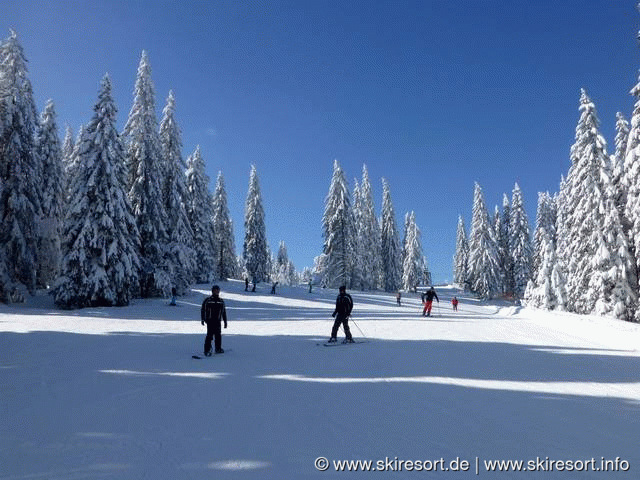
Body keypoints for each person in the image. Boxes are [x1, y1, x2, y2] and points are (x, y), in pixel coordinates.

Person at [201, 285, 228, 355]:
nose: (216, 292)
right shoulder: (208, 300)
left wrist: (225, 321)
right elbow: (203, 310)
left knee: (218, 335)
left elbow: (223, 312)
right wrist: (203, 319)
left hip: (218, 321)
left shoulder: (221, 301)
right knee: (209, 335)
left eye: (218, 290)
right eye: (215, 290)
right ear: (212, 291)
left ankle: (218, 348)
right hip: (210, 321)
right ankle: (207, 350)